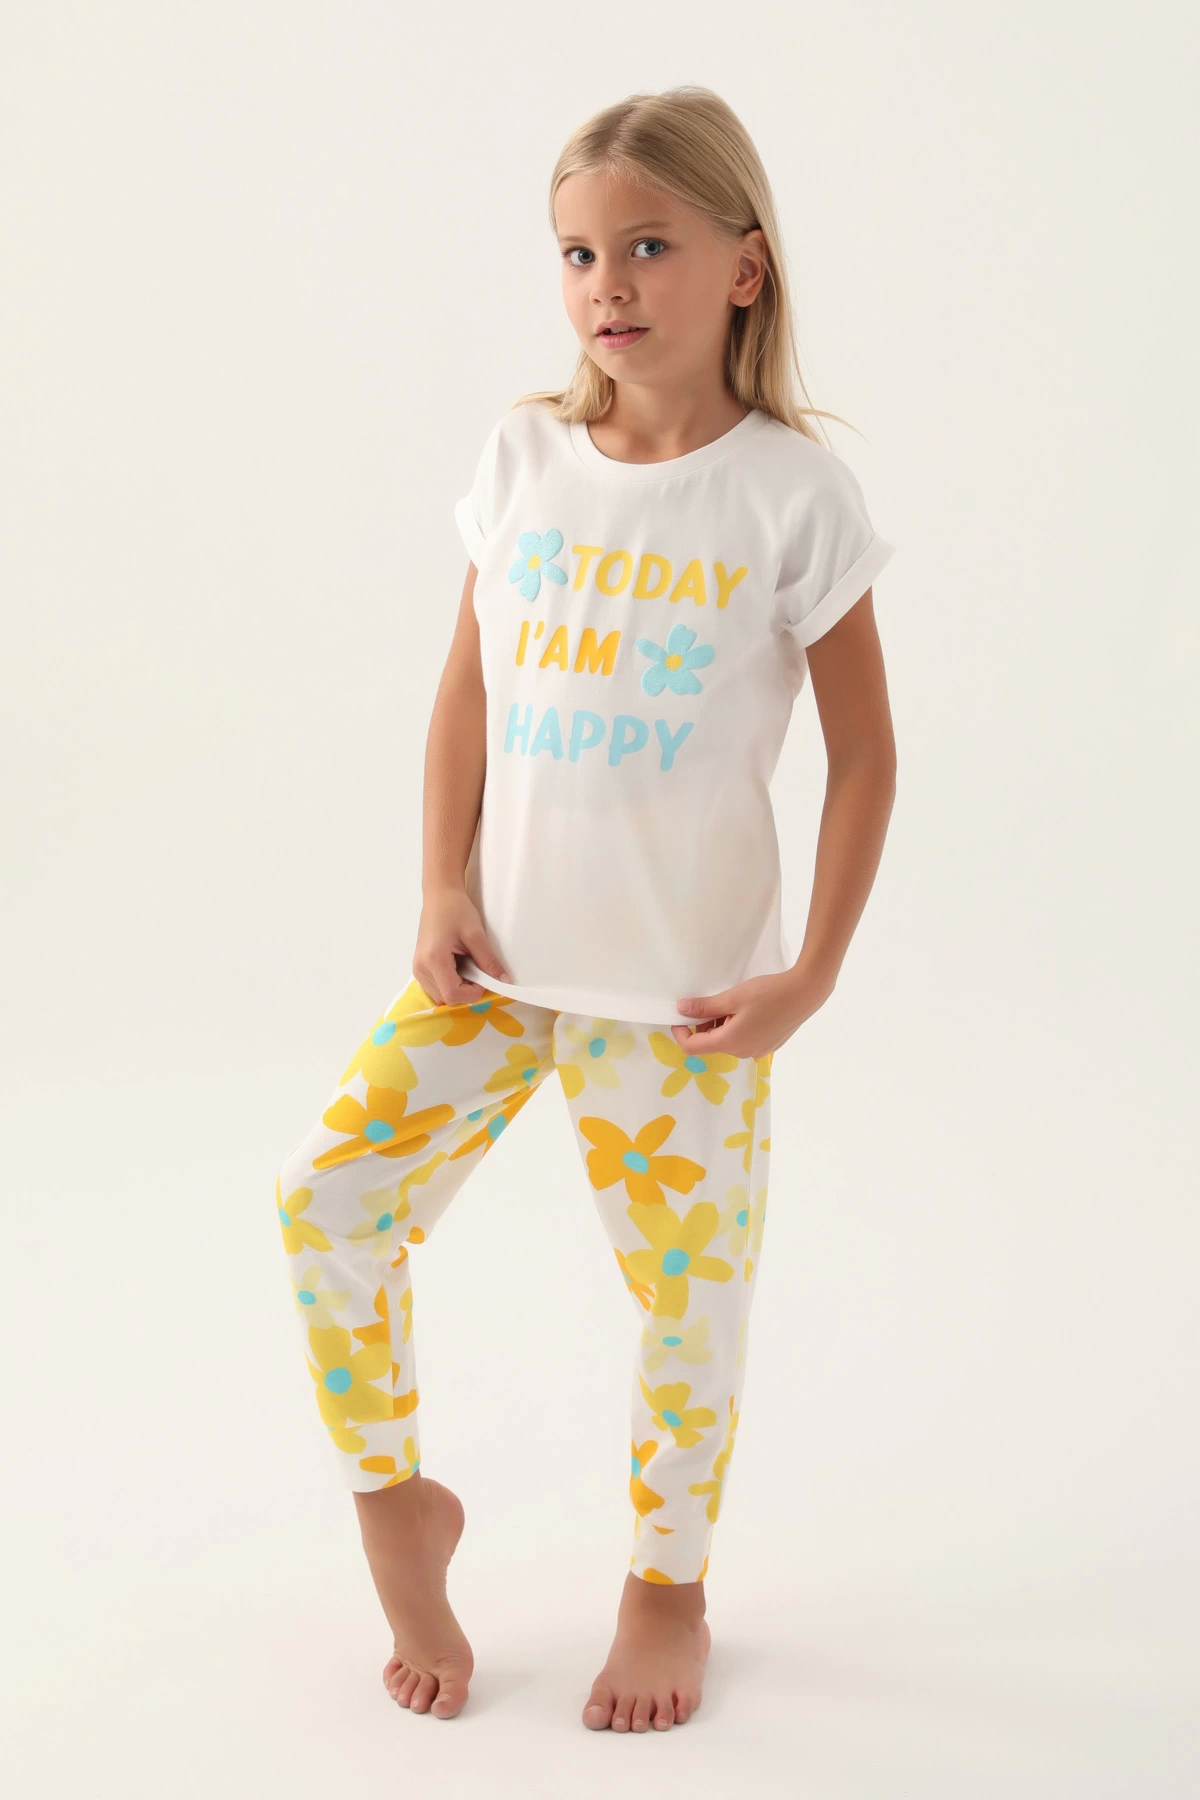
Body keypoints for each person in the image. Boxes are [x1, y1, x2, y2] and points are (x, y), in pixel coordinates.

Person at [274, 83, 897, 1734]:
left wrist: (813, 973)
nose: (605, 284)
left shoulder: (793, 495)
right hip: (492, 973)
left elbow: (865, 762)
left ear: (745, 267)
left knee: (689, 1303)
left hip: (684, 1003)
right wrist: (439, 879)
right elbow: (465, 695)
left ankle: (667, 1586)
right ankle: (396, 1506)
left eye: (647, 247)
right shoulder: (524, 456)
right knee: (329, 1203)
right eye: (575, 253)